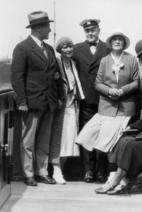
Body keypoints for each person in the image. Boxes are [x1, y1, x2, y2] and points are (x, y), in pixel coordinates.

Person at [75, 32, 139, 181]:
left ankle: (111, 173)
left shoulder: (131, 59)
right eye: (115, 40)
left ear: (124, 43)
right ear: (110, 43)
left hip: (125, 108)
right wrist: (109, 91)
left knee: (113, 140)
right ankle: (94, 171)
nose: (117, 42)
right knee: (86, 135)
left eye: (120, 40)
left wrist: (122, 91)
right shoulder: (105, 60)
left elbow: (136, 82)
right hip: (106, 106)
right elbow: (97, 83)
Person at [11, 11, 63, 186]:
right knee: (28, 141)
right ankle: (28, 174)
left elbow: (56, 75)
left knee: (44, 140)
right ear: (39, 28)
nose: (50, 30)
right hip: (32, 103)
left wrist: (58, 98)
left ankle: (42, 171)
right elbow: (17, 78)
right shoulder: (22, 48)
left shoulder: (49, 49)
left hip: (50, 103)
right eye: (48, 26)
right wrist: (22, 102)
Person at [73, 19, 110, 183]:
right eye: (87, 30)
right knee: (87, 134)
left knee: (103, 135)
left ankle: (101, 171)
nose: (90, 33)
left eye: (93, 30)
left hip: (104, 100)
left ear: (99, 30)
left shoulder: (108, 49)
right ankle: (88, 170)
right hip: (86, 100)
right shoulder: (76, 49)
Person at [49, 37, 85, 184]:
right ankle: (56, 169)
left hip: (72, 106)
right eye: (65, 47)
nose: (69, 49)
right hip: (61, 106)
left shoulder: (73, 63)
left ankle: (60, 170)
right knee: (59, 138)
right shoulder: (56, 63)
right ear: (59, 50)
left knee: (70, 139)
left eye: (70, 46)